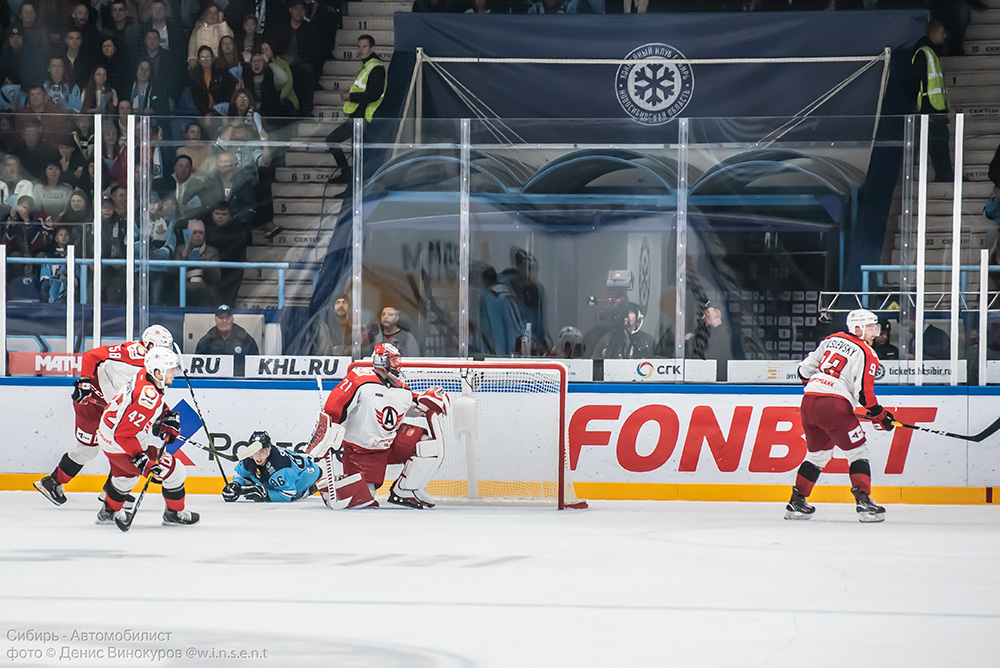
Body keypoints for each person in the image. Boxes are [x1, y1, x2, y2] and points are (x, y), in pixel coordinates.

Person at [32, 325, 174, 506]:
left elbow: (148, 393)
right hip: (92, 406)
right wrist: (84, 382)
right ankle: (52, 482)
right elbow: (91, 356)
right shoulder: (132, 355)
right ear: (150, 345)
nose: (166, 354)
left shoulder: (153, 364)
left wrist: (165, 412)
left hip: (115, 409)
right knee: (87, 450)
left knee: (123, 446)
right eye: (164, 348)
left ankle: (112, 491)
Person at [307, 343, 449, 509]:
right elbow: (334, 408)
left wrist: (430, 399)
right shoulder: (359, 380)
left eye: (398, 360)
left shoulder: (401, 387)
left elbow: (414, 404)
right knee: (365, 500)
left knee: (427, 444)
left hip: (391, 444)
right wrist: (326, 435)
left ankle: (405, 490)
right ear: (382, 361)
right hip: (361, 452)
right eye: (394, 360)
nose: (398, 365)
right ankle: (338, 483)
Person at [786, 309, 891, 523]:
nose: (875, 332)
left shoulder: (831, 339)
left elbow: (804, 371)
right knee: (858, 452)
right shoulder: (867, 353)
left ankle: (796, 502)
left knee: (817, 456)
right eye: (871, 328)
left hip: (809, 402)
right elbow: (864, 393)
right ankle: (864, 503)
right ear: (858, 329)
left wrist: (820, 392)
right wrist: (879, 414)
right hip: (834, 406)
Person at [97, 347, 199, 526]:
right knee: (175, 471)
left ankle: (109, 512)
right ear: (158, 372)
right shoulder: (147, 398)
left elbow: (149, 402)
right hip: (120, 443)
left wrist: (165, 414)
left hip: (108, 437)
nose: (174, 372)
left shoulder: (145, 375)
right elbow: (124, 434)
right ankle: (174, 513)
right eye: (170, 369)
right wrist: (141, 459)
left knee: (125, 477)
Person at [325, 34, 385, 184]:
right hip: (357, 116)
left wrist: (350, 97)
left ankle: (350, 181)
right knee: (351, 150)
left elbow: (374, 94)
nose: (361, 50)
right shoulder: (366, 66)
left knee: (337, 142)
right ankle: (348, 176)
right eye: (359, 46)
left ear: (372, 48)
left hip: (364, 117)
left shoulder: (376, 67)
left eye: (364, 46)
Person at [908, 20, 953, 183]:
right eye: (942, 33)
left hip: (936, 108)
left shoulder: (930, 52)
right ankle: (944, 175)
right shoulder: (924, 53)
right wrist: (925, 109)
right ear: (934, 34)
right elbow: (915, 82)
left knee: (940, 142)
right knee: (937, 144)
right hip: (931, 109)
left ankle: (946, 174)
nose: (945, 36)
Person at [222, 430, 324, 502]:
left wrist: (265, 495)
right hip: (291, 472)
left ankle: (305, 491)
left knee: (294, 494)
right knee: (262, 479)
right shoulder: (249, 459)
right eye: (255, 452)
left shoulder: (280, 467)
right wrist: (235, 485)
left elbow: (288, 494)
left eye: (262, 452)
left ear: (269, 449)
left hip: (307, 474)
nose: (258, 456)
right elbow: (241, 475)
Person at [195, 304, 260, 373]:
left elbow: (255, 367)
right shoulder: (206, 342)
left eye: (227, 317)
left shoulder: (246, 340)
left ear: (232, 319)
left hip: (238, 382)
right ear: (216, 319)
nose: (225, 321)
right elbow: (198, 370)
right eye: (221, 318)